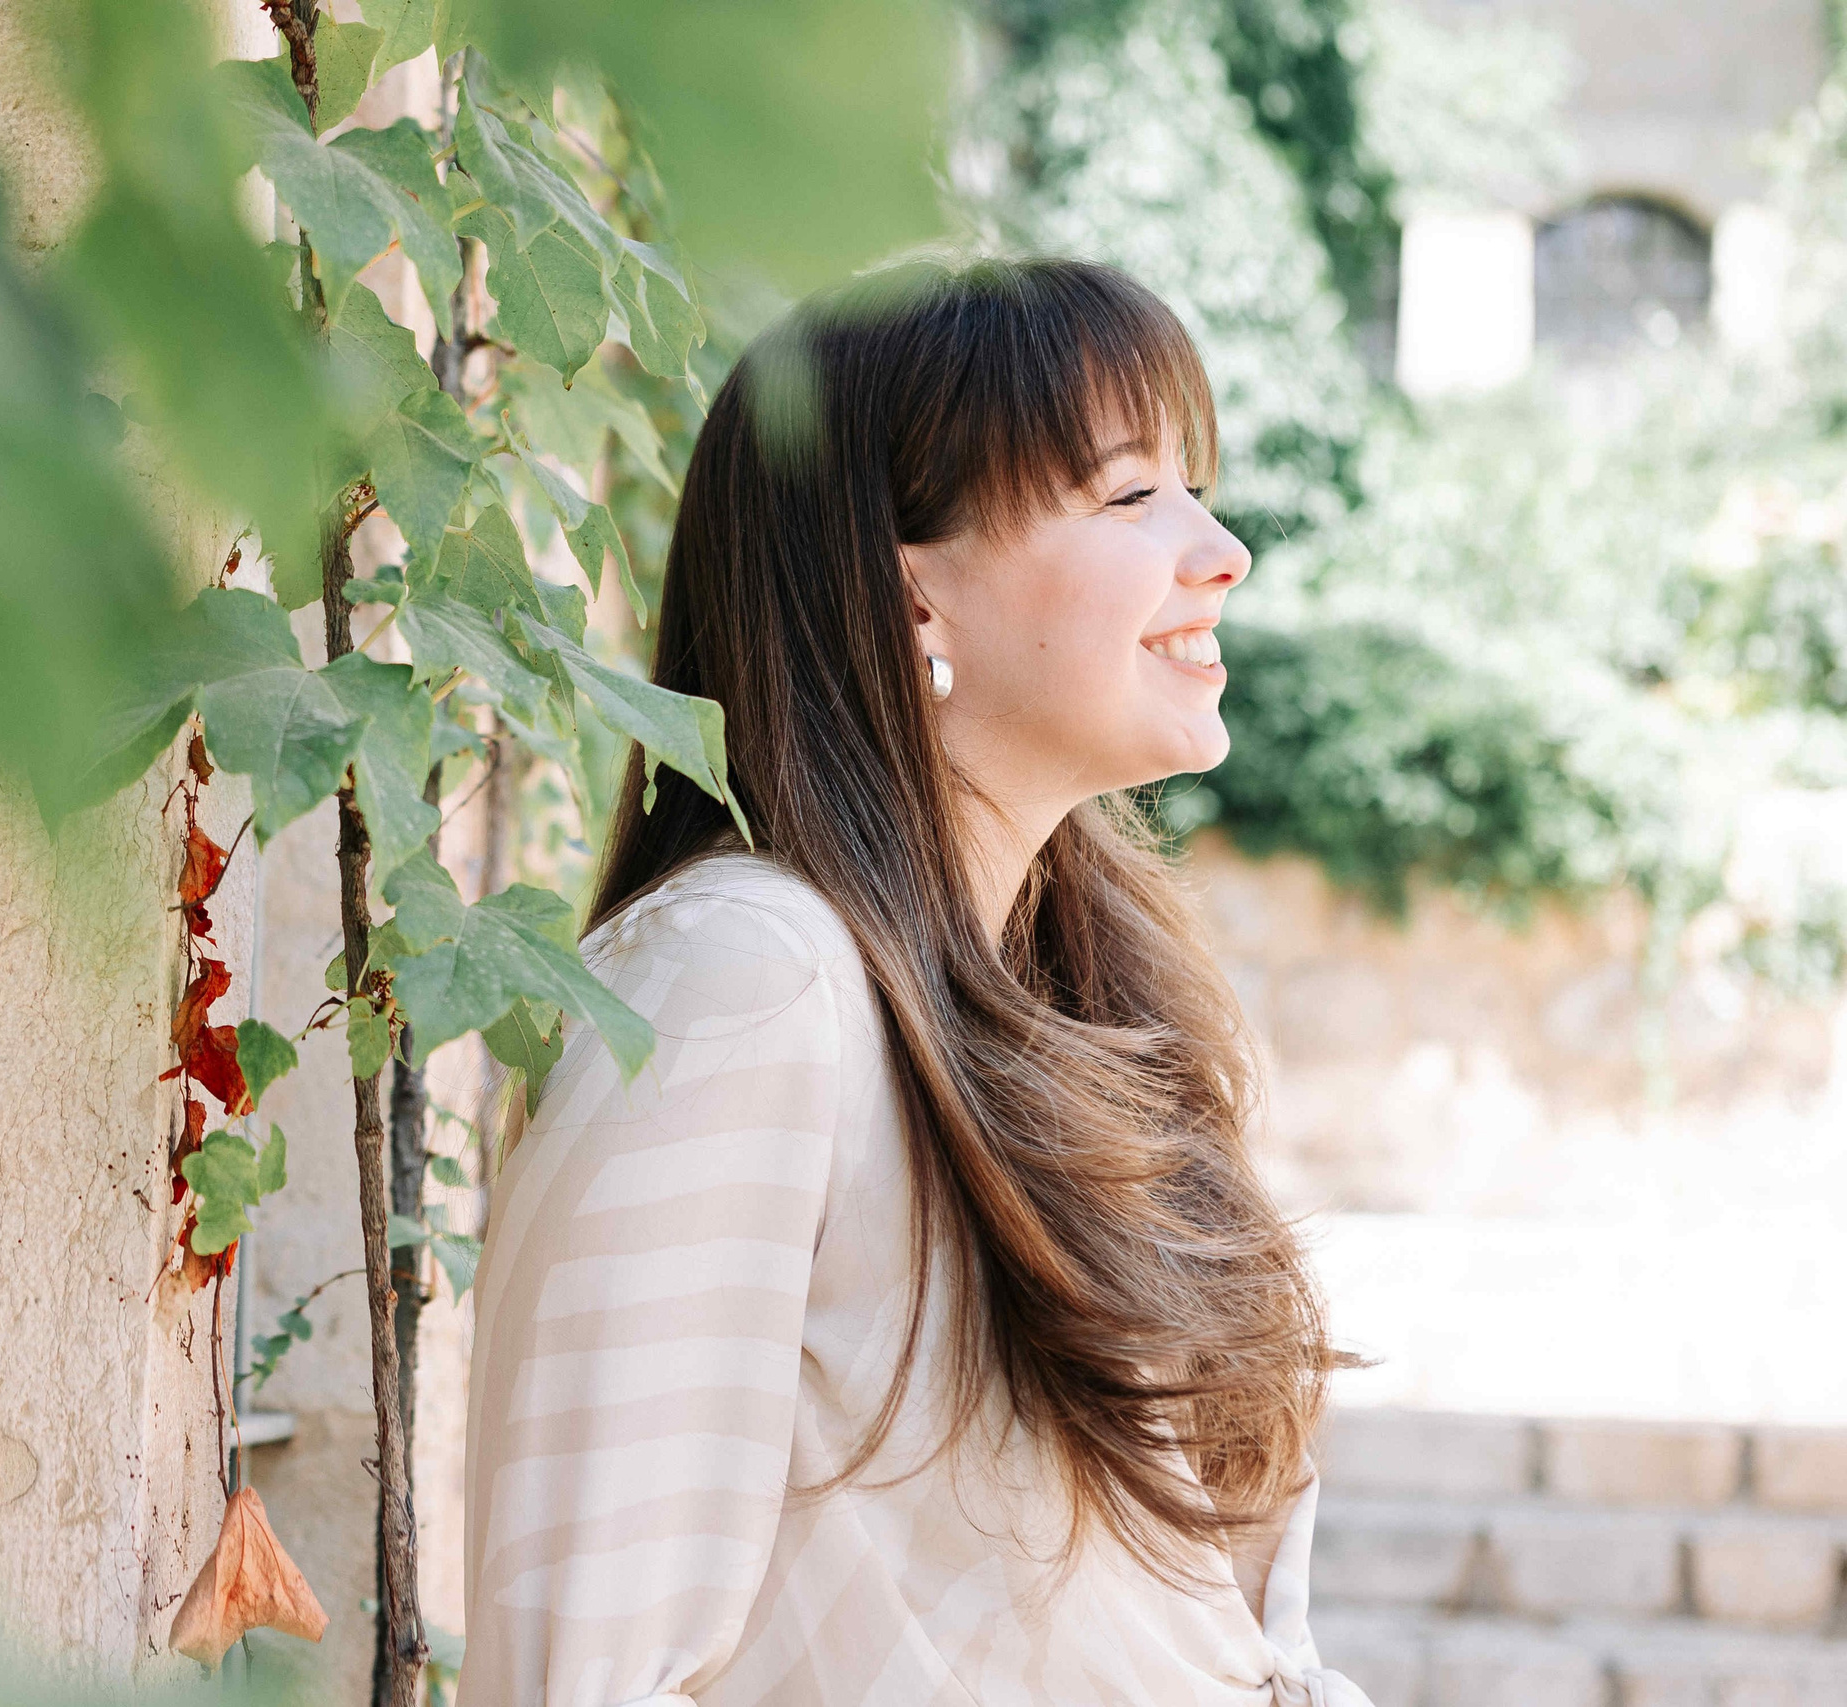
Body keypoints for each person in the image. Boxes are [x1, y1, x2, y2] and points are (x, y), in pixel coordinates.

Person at [457, 256, 1367, 1706]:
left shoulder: (1085, 1002)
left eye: (1194, 487)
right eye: (1133, 496)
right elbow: (586, 1671)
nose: (1220, 549)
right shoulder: (743, 983)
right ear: (913, 599)